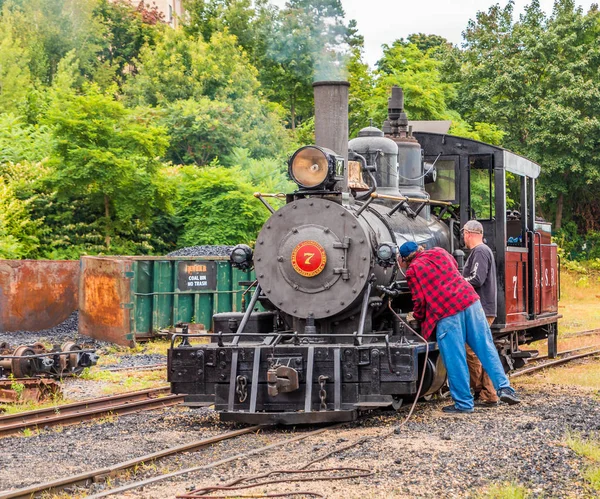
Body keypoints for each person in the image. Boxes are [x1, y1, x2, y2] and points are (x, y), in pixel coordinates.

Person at [398, 241, 520, 413]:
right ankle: (505, 388)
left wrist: (416, 317)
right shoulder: (440, 252)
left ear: (405, 260)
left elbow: (419, 300)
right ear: (420, 248)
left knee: (455, 357)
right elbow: (455, 266)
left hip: (447, 312)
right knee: (486, 347)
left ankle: (463, 403)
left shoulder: (413, 270)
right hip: (471, 301)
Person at [462, 220, 499, 406]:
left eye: (463, 234)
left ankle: (483, 391)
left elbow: (477, 279)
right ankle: (487, 392)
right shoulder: (481, 252)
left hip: (482, 309)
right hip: (482, 308)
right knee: (479, 350)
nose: (463, 238)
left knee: (474, 351)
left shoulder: (480, 251)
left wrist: (456, 281)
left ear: (468, 233)